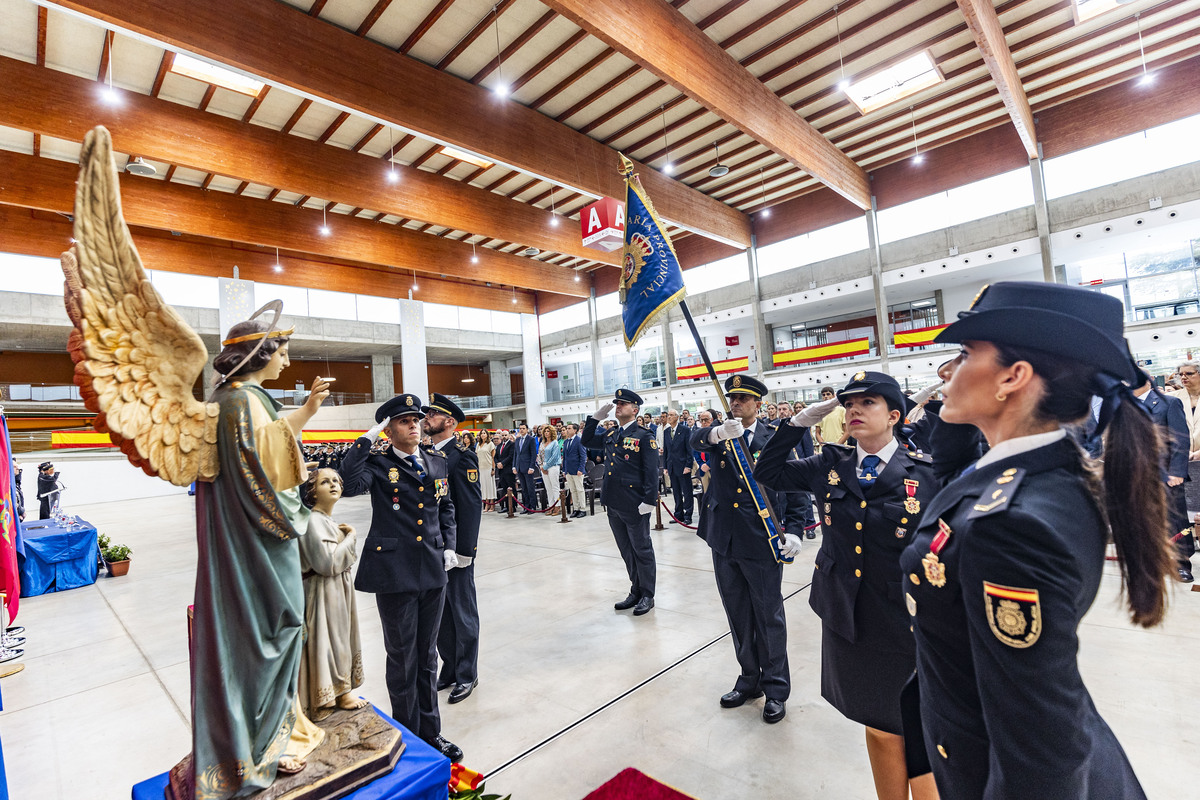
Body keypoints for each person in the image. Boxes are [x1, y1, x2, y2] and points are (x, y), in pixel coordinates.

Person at [900, 282, 1174, 799]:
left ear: (1013, 377)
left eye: (964, 355)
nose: (949, 371)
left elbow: (1043, 751)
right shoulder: (1043, 472)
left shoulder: (1012, 524)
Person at [755, 372, 940, 800]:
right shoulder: (830, 464)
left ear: (895, 415)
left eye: (868, 403)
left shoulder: (926, 470)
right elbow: (769, 471)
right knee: (877, 723)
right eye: (849, 404)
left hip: (908, 620)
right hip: (850, 617)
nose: (854, 410)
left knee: (922, 727)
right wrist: (795, 425)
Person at [192, 318, 331, 791]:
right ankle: (264, 747)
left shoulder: (235, 398)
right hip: (260, 539)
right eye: (282, 352)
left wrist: (308, 410)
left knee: (271, 630)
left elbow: (267, 445)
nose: (288, 361)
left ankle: (277, 732)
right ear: (260, 354)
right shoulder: (242, 399)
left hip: (245, 536)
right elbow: (262, 477)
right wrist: (297, 514)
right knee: (276, 629)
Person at [339, 394, 463, 763]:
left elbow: (446, 507)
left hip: (432, 569)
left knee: (427, 656)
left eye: (416, 419)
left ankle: (431, 732)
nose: (414, 424)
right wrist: (366, 438)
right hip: (395, 572)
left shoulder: (437, 461)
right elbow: (347, 484)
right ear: (389, 430)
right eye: (404, 421)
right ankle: (406, 734)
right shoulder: (378, 464)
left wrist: (448, 545)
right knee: (403, 656)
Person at [692, 375, 798, 724]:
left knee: (769, 616)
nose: (735, 403)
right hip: (725, 539)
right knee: (737, 615)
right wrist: (718, 433)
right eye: (732, 397)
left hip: (763, 540)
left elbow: (797, 489)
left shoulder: (774, 438)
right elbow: (695, 439)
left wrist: (795, 531)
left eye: (743, 399)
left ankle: (776, 688)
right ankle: (749, 679)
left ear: (758, 405)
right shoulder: (721, 435)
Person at [422, 394, 483, 705]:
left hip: (456, 549)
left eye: (432, 414)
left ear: (448, 422)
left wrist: (464, 549)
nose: (425, 418)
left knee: (461, 610)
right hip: (434, 547)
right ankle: (448, 668)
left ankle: (467, 673)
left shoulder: (462, 456)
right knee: (441, 613)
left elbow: (470, 506)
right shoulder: (428, 454)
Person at [580, 389, 659, 615]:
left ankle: (647, 594)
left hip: (635, 503)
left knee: (642, 550)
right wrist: (594, 419)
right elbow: (587, 440)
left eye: (623, 404)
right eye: (617, 403)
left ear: (635, 410)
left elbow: (651, 472)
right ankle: (635, 590)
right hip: (613, 502)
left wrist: (649, 501)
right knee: (626, 551)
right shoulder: (612, 433)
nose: (618, 406)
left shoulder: (644, 436)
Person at [297, 468, 367, 720]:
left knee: (339, 638)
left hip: (336, 589)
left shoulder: (325, 521)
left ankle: (340, 690)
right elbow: (328, 563)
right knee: (332, 640)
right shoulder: (314, 521)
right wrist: (351, 538)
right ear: (313, 491)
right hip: (325, 591)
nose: (334, 485)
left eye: (337, 480)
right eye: (325, 482)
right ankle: (334, 692)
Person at [1132, 379, 1192, 581]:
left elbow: (1181, 439)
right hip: (1138, 474)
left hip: (1166, 473)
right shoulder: (1125, 407)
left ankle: (1181, 563)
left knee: (1175, 520)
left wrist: (1177, 471)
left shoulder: (1168, 403)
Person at [663, 409, 694, 525]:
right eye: (668, 415)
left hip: (683, 466)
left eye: (671, 415)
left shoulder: (685, 430)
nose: (669, 417)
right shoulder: (666, 431)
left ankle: (688, 515)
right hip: (671, 466)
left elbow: (689, 450)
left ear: (677, 417)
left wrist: (688, 465)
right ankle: (678, 514)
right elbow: (666, 450)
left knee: (687, 491)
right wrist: (665, 466)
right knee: (676, 492)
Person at [562, 423, 588, 518]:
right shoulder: (566, 442)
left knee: (580, 490)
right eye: (566, 428)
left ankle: (582, 509)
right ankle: (576, 508)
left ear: (575, 430)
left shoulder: (579, 441)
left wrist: (581, 468)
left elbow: (583, 456)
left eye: (569, 428)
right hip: (569, 470)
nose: (567, 430)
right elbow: (565, 457)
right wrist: (564, 470)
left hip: (577, 470)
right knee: (573, 490)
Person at [513, 423, 539, 513]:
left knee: (530, 487)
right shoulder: (517, 440)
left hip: (528, 467)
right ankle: (526, 506)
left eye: (523, 428)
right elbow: (515, 454)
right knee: (523, 488)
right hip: (519, 467)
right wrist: (514, 466)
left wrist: (532, 467)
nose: (522, 430)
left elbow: (533, 454)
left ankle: (532, 506)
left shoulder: (530, 439)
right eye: (520, 428)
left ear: (527, 429)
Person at [813, 386, 848, 450]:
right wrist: (823, 444)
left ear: (834, 395)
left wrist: (837, 445)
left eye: (828, 394)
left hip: (840, 447)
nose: (826, 396)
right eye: (823, 395)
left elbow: (847, 431)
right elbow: (817, 433)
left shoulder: (842, 410)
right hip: (826, 448)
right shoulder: (820, 412)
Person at [538, 426, 563, 514]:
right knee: (548, 488)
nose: (546, 433)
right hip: (543, 466)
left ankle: (557, 506)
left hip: (553, 466)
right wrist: (541, 466)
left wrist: (545, 467)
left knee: (555, 486)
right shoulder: (542, 443)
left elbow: (554, 457)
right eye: (545, 431)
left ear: (552, 432)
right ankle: (551, 505)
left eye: (548, 431)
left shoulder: (555, 443)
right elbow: (539, 455)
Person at [494, 429, 517, 511]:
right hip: (501, 470)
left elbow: (510, 456)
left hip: (508, 469)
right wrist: (497, 463)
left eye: (505, 435)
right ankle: (506, 506)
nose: (504, 437)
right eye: (502, 435)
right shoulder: (499, 446)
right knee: (504, 488)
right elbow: (495, 456)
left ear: (509, 436)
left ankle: (513, 506)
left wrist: (502, 463)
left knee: (511, 488)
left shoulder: (512, 444)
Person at [476, 430, 497, 512]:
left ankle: (492, 505)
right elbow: (477, 456)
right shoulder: (478, 444)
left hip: (488, 467)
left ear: (487, 435)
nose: (482, 435)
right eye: (481, 433)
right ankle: (486, 504)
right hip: (481, 467)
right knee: (483, 487)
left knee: (489, 486)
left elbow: (492, 457)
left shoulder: (490, 444)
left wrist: (493, 468)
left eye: (484, 433)